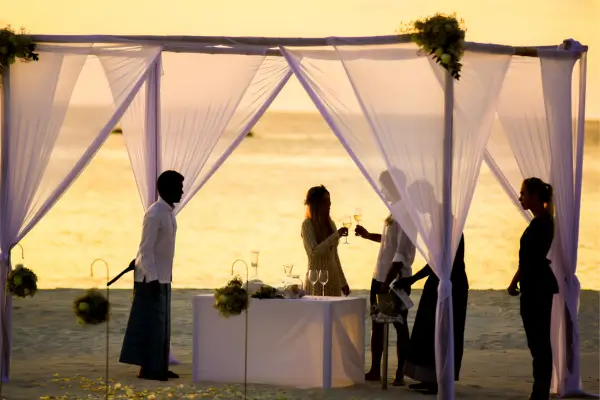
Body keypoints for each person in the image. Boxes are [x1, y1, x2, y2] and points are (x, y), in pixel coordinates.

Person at [394, 180, 469, 395]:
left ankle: (439, 380)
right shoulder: (438, 217)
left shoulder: (444, 219)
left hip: (449, 280)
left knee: (442, 329)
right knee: (427, 329)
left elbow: (441, 257)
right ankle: (429, 378)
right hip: (438, 279)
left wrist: (412, 279)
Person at [120, 170, 184, 381]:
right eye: (178, 187)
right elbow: (145, 249)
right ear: (166, 189)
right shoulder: (155, 213)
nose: (182, 191)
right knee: (150, 324)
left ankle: (159, 366)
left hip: (164, 277)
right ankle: (147, 369)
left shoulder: (168, 212)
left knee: (162, 325)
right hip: (151, 278)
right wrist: (153, 278)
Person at [356, 170, 416, 386]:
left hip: (392, 279)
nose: (380, 190)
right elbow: (388, 242)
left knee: (398, 324)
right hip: (380, 275)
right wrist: (367, 235)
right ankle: (374, 369)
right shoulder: (394, 211)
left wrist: (386, 281)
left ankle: (400, 372)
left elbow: (400, 252)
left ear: (393, 186)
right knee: (377, 323)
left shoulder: (405, 212)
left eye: (383, 185)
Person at [508, 177, 558, 400]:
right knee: (537, 340)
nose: (521, 198)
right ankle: (540, 390)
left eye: (523, 193)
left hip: (537, 287)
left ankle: (540, 392)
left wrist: (513, 281)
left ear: (536, 196)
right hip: (536, 284)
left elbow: (530, 259)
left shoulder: (541, 223)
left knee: (538, 340)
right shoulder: (542, 221)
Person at [301, 185, 350, 296]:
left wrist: (343, 282)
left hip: (333, 280)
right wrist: (336, 235)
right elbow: (314, 251)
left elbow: (334, 255)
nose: (329, 204)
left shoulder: (330, 224)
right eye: (326, 201)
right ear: (316, 204)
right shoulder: (307, 225)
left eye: (330, 200)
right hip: (316, 280)